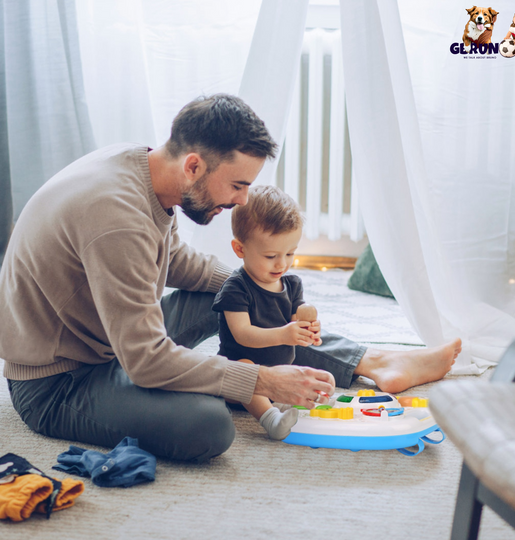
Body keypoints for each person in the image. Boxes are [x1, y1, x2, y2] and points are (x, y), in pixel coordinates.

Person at [0, 94, 461, 463]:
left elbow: (178, 263)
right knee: (208, 426)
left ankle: (369, 360)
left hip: (104, 338)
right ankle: (328, 366)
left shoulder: (145, 170)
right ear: (195, 165)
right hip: (60, 381)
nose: (243, 202)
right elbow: (145, 361)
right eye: (238, 185)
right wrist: (261, 381)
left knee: (233, 294)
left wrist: (264, 284)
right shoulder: (116, 218)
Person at [213, 186, 321, 440]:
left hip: (279, 373)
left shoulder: (292, 284)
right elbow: (243, 334)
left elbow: (295, 324)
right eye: (271, 255)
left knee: (312, 375)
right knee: (245, 366)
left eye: (290, 253)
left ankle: (286, 403)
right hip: (238, 378)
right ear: (240, 249)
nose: (282, 263)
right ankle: (270, 419)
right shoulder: (236, 287)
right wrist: (284, 335)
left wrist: (307, 330)